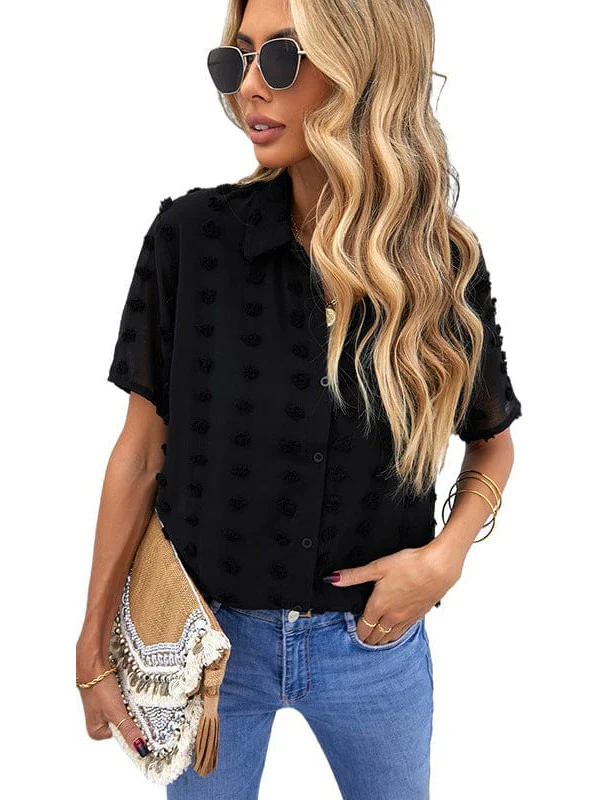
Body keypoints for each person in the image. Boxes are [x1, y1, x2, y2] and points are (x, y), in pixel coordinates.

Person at [76, 0, 523, 797]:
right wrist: (91, 644)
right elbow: (141, 452)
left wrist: (444, 558)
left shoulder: (440, 263)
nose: (250, 85)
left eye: (282, 58)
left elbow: (492, 439)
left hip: (374, 644)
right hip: (206, 643)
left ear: (362, 67)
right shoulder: (190, 238)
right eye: (236, 59)